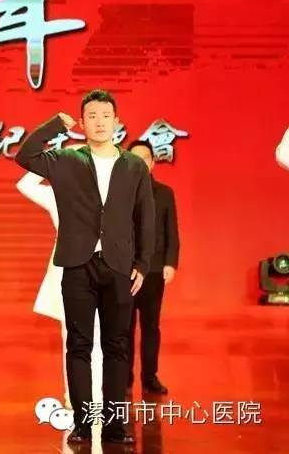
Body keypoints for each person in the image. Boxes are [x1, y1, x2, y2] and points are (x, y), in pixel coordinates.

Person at [15, 89, 154, 445]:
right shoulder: (67, 159)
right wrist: (53, 126)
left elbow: (145, 217)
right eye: (92, 116)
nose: (99, 122)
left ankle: (114, 425)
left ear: (117, 122)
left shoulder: (133, 166)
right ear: (82, 122)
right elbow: (25, 156)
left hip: (118, 266)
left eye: (106, 115)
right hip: (77, 265)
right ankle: (81, 422)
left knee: (116, 347)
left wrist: (142, 263)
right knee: (79, 346)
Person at [16, 169, 103, 409]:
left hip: (103, 272)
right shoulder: (59, 195)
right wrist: (52, 162)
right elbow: (25, 185)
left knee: (100, 339)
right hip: (69, 273)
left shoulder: (111, 193)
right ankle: (75, 397)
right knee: (73, 340)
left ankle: (97, 398)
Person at [127, 141, 179, 395]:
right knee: (123, 327)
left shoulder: (164, 193)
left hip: (154, 270)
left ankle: (150, 377)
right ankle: (123, 378)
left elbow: (172, 231)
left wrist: (171, 262)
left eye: (145, 158)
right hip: (124, 271)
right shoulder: (116, 191)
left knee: (150, 326)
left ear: (152, 162)